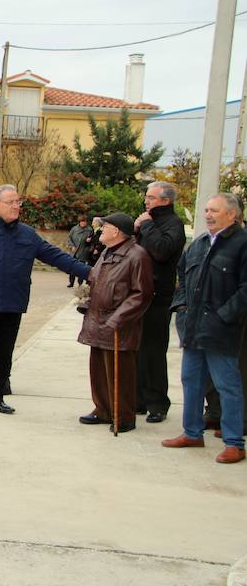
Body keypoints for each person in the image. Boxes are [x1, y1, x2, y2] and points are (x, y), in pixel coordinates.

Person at [0, 185, 92, 414]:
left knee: (4, 354)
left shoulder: (27, 234)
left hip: (12, 303)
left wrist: (89, 272)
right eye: (11, 202)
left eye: (18, 202)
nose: (16, 206)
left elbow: (56, 256)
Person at [162, 193, 247, 464]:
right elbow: (183, 277)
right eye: (206, 210)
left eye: (214, 210)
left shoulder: (242, 244)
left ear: (231, 215)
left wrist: (224, 316)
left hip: (222, 331)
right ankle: (192, 433)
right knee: (191, 382)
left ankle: (234, 443)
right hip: (193, 328)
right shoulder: (198, 243)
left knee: (227, 386)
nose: (207, 215)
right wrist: (182, 308)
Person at [77, 213, 153, 432]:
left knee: (120, 373)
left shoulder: (137, 255)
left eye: (105, 227)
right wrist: (87, 298)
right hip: (98, 321)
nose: (101, 230)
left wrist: (120, 317)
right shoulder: (107, 252)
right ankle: (103, 409)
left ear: (117, 231)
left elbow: (142, 293)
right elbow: (98, 280)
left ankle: (123, 416)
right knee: (99, 369)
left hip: (119, 324)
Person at [133, 181, 186, 423]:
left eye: (152, 197)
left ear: (166, 200)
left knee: (153, 351)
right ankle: (138, 399)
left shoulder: (173, 224)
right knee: (137, 351)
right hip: (139, 294)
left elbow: (161, 251)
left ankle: (157, 403)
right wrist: (137, 229)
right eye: (147, 197)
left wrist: (146, 225)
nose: (147, 201)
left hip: (158, 298)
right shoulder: (148, 221)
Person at [65, 216, 93, 287]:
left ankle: (80, 283)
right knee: (72, 267)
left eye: (85, 222)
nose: (83, 223)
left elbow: (92, 240)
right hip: (74, 252)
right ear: (79, 222)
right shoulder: (74, 229)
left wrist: (89, 242)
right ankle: (71, 282)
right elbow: (69, 238)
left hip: (83, 252)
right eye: (82, 222)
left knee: (81, 268)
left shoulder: (89, 230)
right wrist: (71, 246)